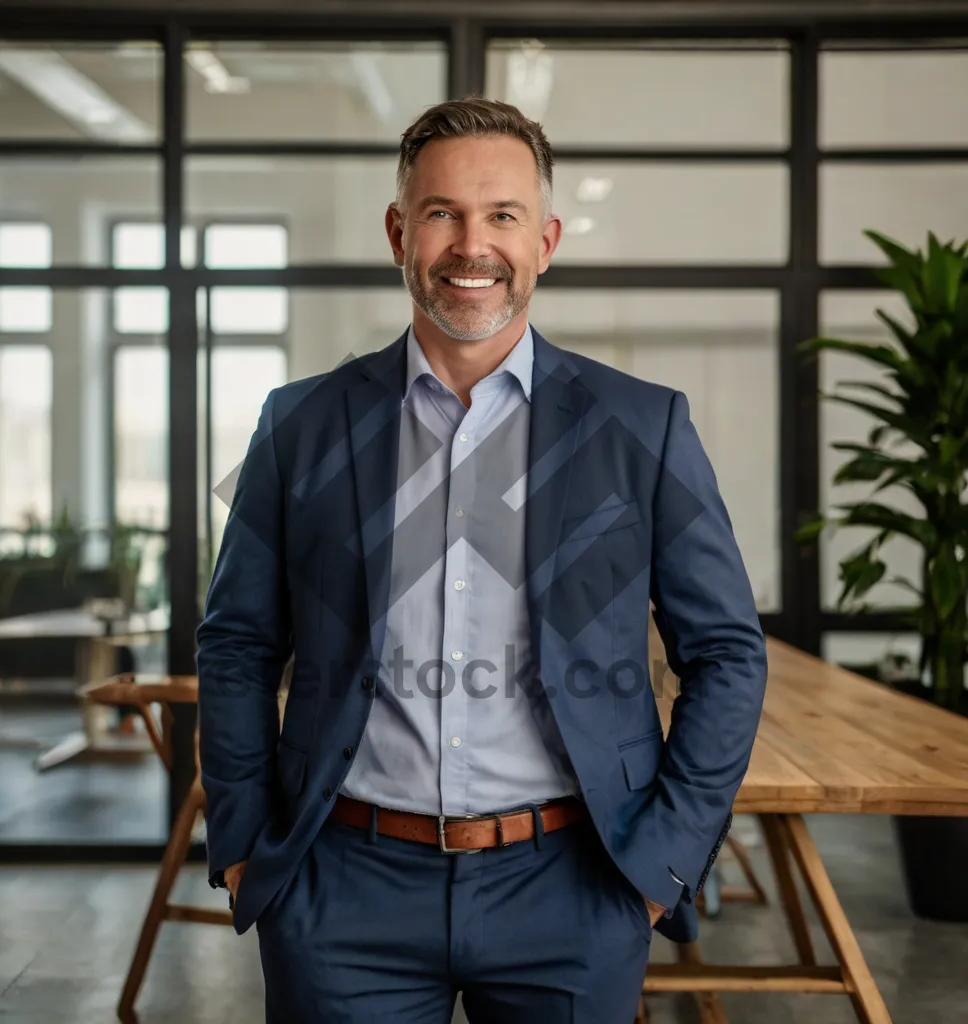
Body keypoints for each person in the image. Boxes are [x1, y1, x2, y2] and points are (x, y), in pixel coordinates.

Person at [197, 96, 767, 1023]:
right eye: (441, 214)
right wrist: (241, 844)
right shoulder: (299, 426)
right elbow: (235, 644)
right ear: (399, 233)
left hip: (577, 885)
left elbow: (729, 653)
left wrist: (662, 864)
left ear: (544, 240)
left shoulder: (642, 427)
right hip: (343, 890)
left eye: (501, 215)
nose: (473, 244)